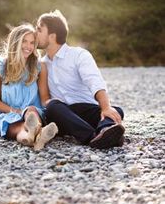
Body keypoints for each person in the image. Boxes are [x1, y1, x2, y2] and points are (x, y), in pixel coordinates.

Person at [36, 10, 125, 149]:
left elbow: (94, 81)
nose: (35, 33)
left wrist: (106, 107)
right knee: (52, 107)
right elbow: (44, 98)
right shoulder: (41, 64)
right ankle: (94, 136)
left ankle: (104, 132)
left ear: (52, 36)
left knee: (116, 110)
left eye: (39, 29)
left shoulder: (79, 55)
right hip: (62, 115)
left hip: (86, 109)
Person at [0, 23, 58, 151]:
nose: (29, 46)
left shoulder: (39, 67)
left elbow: (44, 98)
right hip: (7, 113)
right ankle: (36, 137)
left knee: (30, 111)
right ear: (15, 43)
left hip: (33, 112)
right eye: (24, 42)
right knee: (18, 127)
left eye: (32, 43)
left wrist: (60, 107)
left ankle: (33, 133)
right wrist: (17, 112)